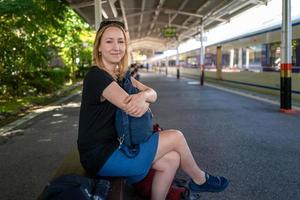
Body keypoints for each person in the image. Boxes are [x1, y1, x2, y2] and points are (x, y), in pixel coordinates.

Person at [77, 19, 229, 200]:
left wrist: (143, 97)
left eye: (121, 41)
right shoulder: (96, 76)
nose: (116, 47)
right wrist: (143, 99)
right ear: (99, 47)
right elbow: (132, 107)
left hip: (117, 146)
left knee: (172, 158)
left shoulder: (119, 75)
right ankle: (199, 178)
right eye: (109, 41)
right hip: (101, 156)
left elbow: (152, 93)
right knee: (176, 137)